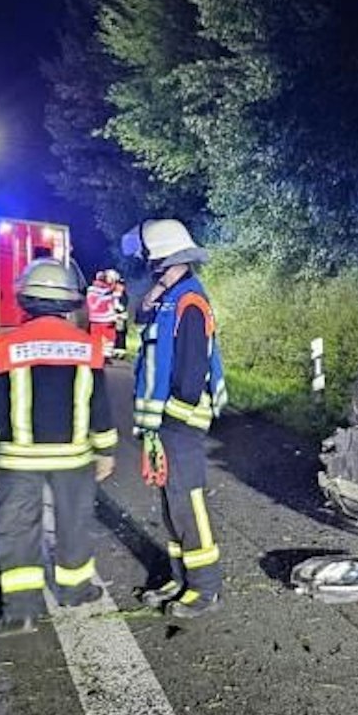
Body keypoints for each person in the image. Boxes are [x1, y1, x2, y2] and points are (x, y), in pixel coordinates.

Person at [0, 259, 118, 634]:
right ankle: (75, 590)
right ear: (69, 301)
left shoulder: (7, 346)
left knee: (17, 529)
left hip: (19, 458)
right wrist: (105, 451)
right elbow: (99, 405)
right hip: (73, 458)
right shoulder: (88, 346)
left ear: (26, 298)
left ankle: (20, 611)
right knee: (74, 524)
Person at [123, 218, 228, 619]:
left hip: (179, 420)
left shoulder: (190, 301)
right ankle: (180, 576)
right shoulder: (170, 296)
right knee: (171, 502)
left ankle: (205, 588)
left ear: (160, 257)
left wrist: (174, 417)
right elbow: (140, 317)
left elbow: (190, 370)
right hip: (164, 422)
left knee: (187, 501)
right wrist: (156, 291)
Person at [86, 269, 123, 360]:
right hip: (104, 320)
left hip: (97, 320)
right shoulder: (97, 291)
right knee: (107, 339)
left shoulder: (93, 290)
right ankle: (102, 356)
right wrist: (113, 296)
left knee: (100, 339)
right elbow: (95, 304)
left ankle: (99, 357)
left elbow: (116, 305)